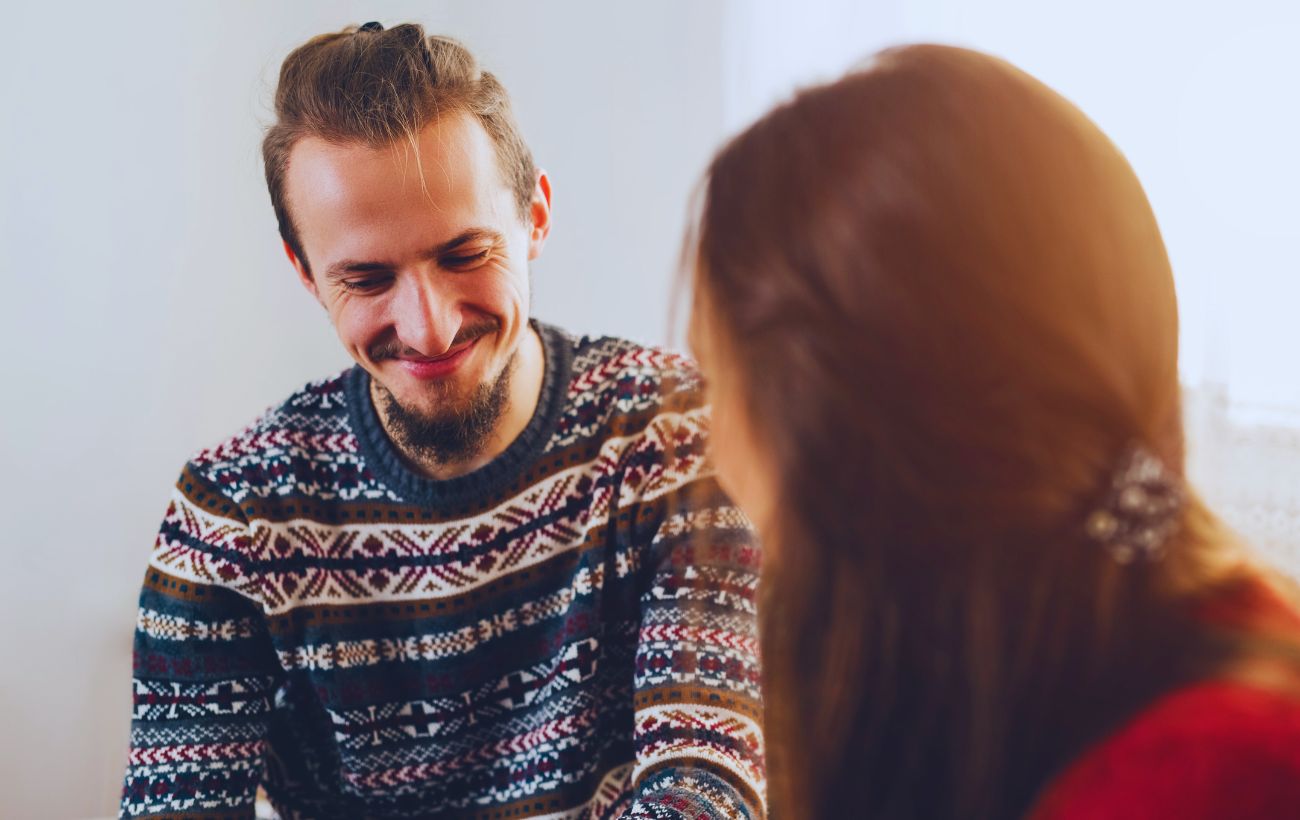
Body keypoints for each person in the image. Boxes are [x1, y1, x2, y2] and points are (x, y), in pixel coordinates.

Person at [119, 22, 764, 820]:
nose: (429, 329)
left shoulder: (675, 436)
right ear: (306, 273)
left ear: (536, 215)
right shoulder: (234, 516)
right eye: (367, 279)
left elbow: (710, 789)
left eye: (464, 255)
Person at [686, 44, 1300, 820]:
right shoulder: (1093, 671)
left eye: (719, 383)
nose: (711, 450)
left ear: (846, 450)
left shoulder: (1197, 782)